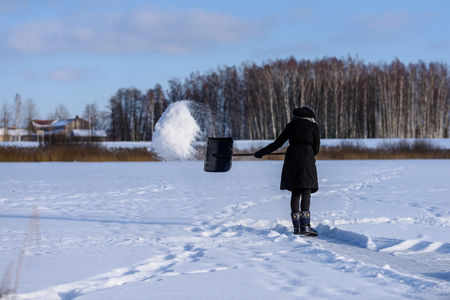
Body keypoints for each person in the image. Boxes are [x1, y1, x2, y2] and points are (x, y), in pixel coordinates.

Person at [254, 106, 320, 236]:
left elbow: (277, 143)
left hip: (292, 158)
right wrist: (308, 151)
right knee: (306, 190)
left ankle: (296, 228)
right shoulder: (313, 126)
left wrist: (261, 153)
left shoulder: (291, 126)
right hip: (307, 157)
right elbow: (316, 148)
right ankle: (305, 226)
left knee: (295, 191)